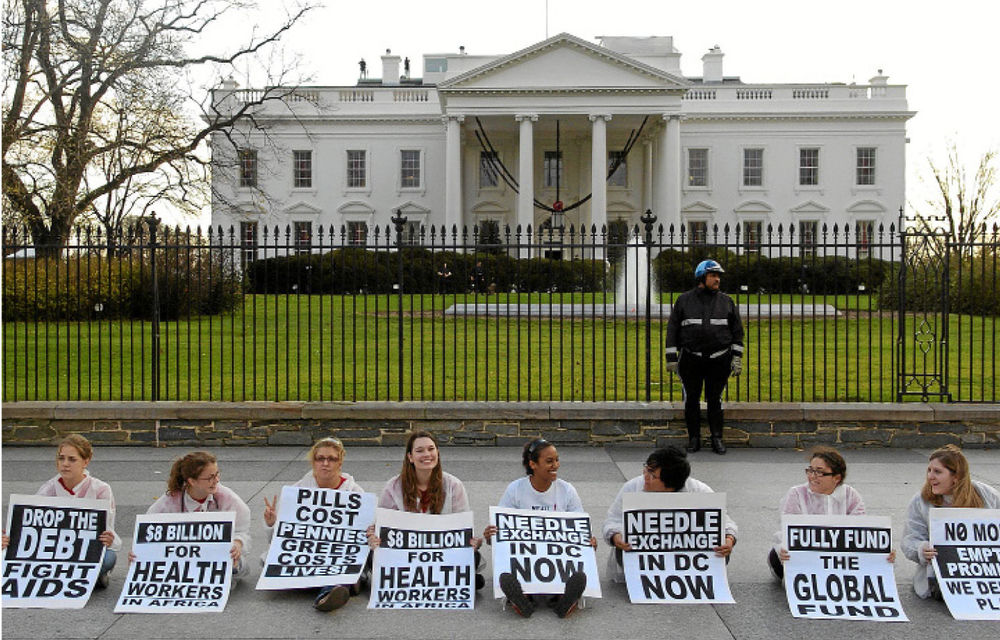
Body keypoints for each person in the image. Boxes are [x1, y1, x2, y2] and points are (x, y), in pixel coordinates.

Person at [482, 438, 595, 618]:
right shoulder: (515, 489)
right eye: (549, 461)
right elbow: (501, 532)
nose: (556, 465)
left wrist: (588, 541)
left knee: (574, 575)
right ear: (532, 464)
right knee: (513, 573)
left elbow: (580, 528)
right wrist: (491, 535)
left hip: (557, 558)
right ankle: (524, 598)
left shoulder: (567, 490)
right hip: (527, 559)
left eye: (557, 460)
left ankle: (563, 599)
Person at [602, 446, 737, 583]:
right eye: (646, 469)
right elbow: (613, 520)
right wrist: (615, 536)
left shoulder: (699, 490)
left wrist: (729, 539)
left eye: (652, 476)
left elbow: (725, 522)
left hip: (687, 562)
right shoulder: (632, 487)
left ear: (670, 484)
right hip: (645, 561)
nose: (645, 477)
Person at [1, 434, 120, 589]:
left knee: (108, 558)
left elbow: (107, 529)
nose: (65, 464)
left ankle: (94, 575)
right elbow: (28, 523)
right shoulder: (49, 488)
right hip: (54, 554)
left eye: (72, 459)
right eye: (61, 458)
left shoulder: (101, 490)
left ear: (86, 461)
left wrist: (108, 539)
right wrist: (7, 538)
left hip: (85, 554)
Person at [369, 431, 485, 588]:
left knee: (473, 556)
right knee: (373, 556)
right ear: (410, 457)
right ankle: (453, 579)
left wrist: (473, 542)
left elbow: (463, 528)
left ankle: (450, 577)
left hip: (441, 553)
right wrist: (373, 536)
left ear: (438, 452)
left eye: (431, 449)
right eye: (420, 450)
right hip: (407, 554)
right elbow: (382, 528)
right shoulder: (393, 487)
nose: (427, 454)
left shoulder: (453, 485)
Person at [262, 438, 366, 612]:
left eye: (332, 459)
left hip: (337, 551)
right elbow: (278, 541)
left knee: (350, 561)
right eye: (320, 459)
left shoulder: (355, 492)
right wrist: (273, 523)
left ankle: (326, 591)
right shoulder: (296, 492)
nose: (325, 463)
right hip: (308, 551)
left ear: (340, 462)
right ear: (313, 462)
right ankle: (338, 584)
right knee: (272, 562)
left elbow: (363, 534)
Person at [768, 446, 894, 581]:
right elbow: (784, 530)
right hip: (807, 558)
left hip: (837, 560)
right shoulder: (796, 493)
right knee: (778, 557)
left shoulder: (851, 495)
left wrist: (883, 552)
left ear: (837, 478)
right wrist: (782, 548)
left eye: (819, 472)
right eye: (810, 470)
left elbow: (861, 533)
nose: (812, 476)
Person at [664, 259, 744, 454]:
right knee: (691, 399)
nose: (717, 279)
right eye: (713, 275)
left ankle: (717, 438)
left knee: (715, 399)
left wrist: (737, 357)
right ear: (701, 277)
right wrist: (671, 358)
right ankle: (694, 439)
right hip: (691, 359)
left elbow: (737, 331)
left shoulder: (727, 301)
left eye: (718, 276)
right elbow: (672, 329)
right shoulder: (684, 300)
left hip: (720, 359)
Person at [902, 445, 1000, 599]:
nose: (930, 477)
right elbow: (909, 539)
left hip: (983, 569)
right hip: (938, 571)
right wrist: (922, 549)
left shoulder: (987, 495)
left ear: (956, 476)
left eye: (937, 472)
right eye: (929, 470)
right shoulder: (920, 500)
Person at [142, 451, 251, 578]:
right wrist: (140, 553)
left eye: (217, 474)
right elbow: (148, 533)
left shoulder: (228, 498)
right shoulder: (168, 502)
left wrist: (237, 543)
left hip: (217, 556)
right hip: (184, 559)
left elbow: (242, 530)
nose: (216, 480)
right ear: (192, 481)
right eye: (210, 478)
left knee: (237, 565)